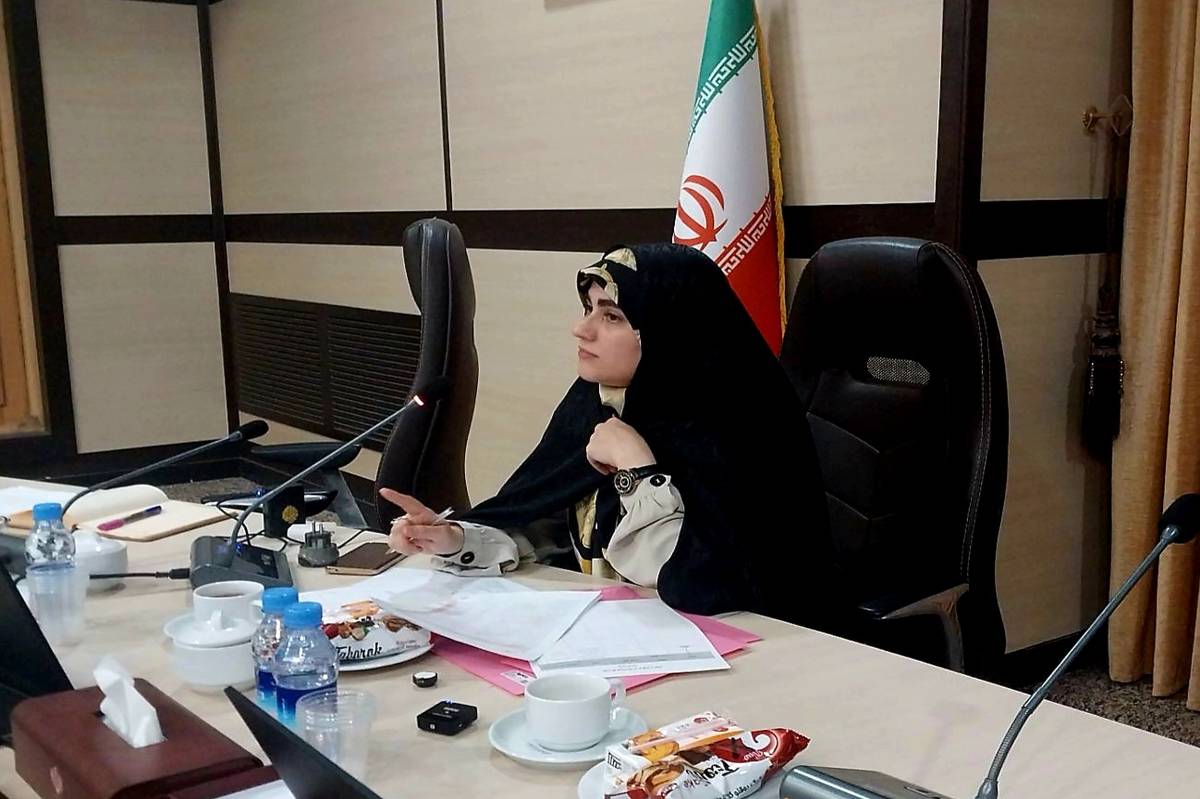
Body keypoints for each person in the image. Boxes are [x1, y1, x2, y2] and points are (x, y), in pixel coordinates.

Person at [382, 243, 835, 624]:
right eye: (587, 309)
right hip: (614, 632)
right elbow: (548, 522)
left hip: (745, 649)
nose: (580, 329)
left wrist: (638, 473)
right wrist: (460, 540)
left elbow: (700, 582)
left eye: (613, 316)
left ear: (670, 330)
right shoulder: (594, 405)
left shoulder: (737, 424)